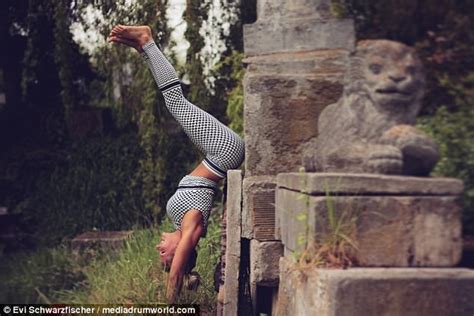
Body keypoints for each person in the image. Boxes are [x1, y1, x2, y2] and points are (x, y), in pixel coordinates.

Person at [108, 25, 245, 303]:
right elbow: (175, 276)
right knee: (176, 102)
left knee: (175, 102)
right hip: (224, 152)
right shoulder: (192, 228)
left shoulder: (183, 223)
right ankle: (147, 41)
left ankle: (143, 48)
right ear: (180, 253)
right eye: (163, 252)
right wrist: (171, 301)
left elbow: (176, 267)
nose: (159, 245)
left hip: (217, 156)